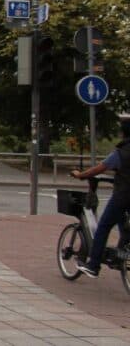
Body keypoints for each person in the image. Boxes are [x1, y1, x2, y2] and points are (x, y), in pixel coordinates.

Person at [72, 117, 130, 278]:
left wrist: (80, 175)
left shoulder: (121, 152)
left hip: (123, 197)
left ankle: (93, 265)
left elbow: (99, 169)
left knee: (103, 227)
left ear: (123, 133)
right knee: (126, 228)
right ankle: (122, 257)